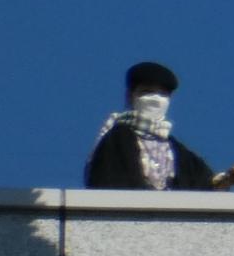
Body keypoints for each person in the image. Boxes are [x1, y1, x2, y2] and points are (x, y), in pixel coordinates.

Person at [84, 61, 214, 190]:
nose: (155, 99)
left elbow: (207, 185)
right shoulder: (118, 138)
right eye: (147, 92)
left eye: (163, 94)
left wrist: (224, 180)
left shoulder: (179, 152)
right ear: (131, 97)